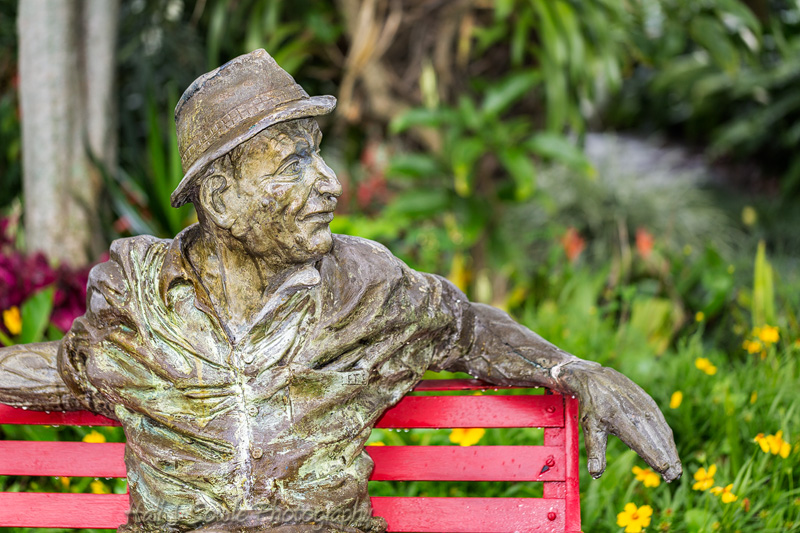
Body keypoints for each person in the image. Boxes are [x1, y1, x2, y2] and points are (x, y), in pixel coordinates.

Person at [0, 49, 680, 533]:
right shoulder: (140, 304)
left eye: (319, 152)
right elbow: (64, 365)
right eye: (296, 161)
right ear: (222, 197)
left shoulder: (366, 288)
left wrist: (575, 370)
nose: (330, 182)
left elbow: (466, 327)